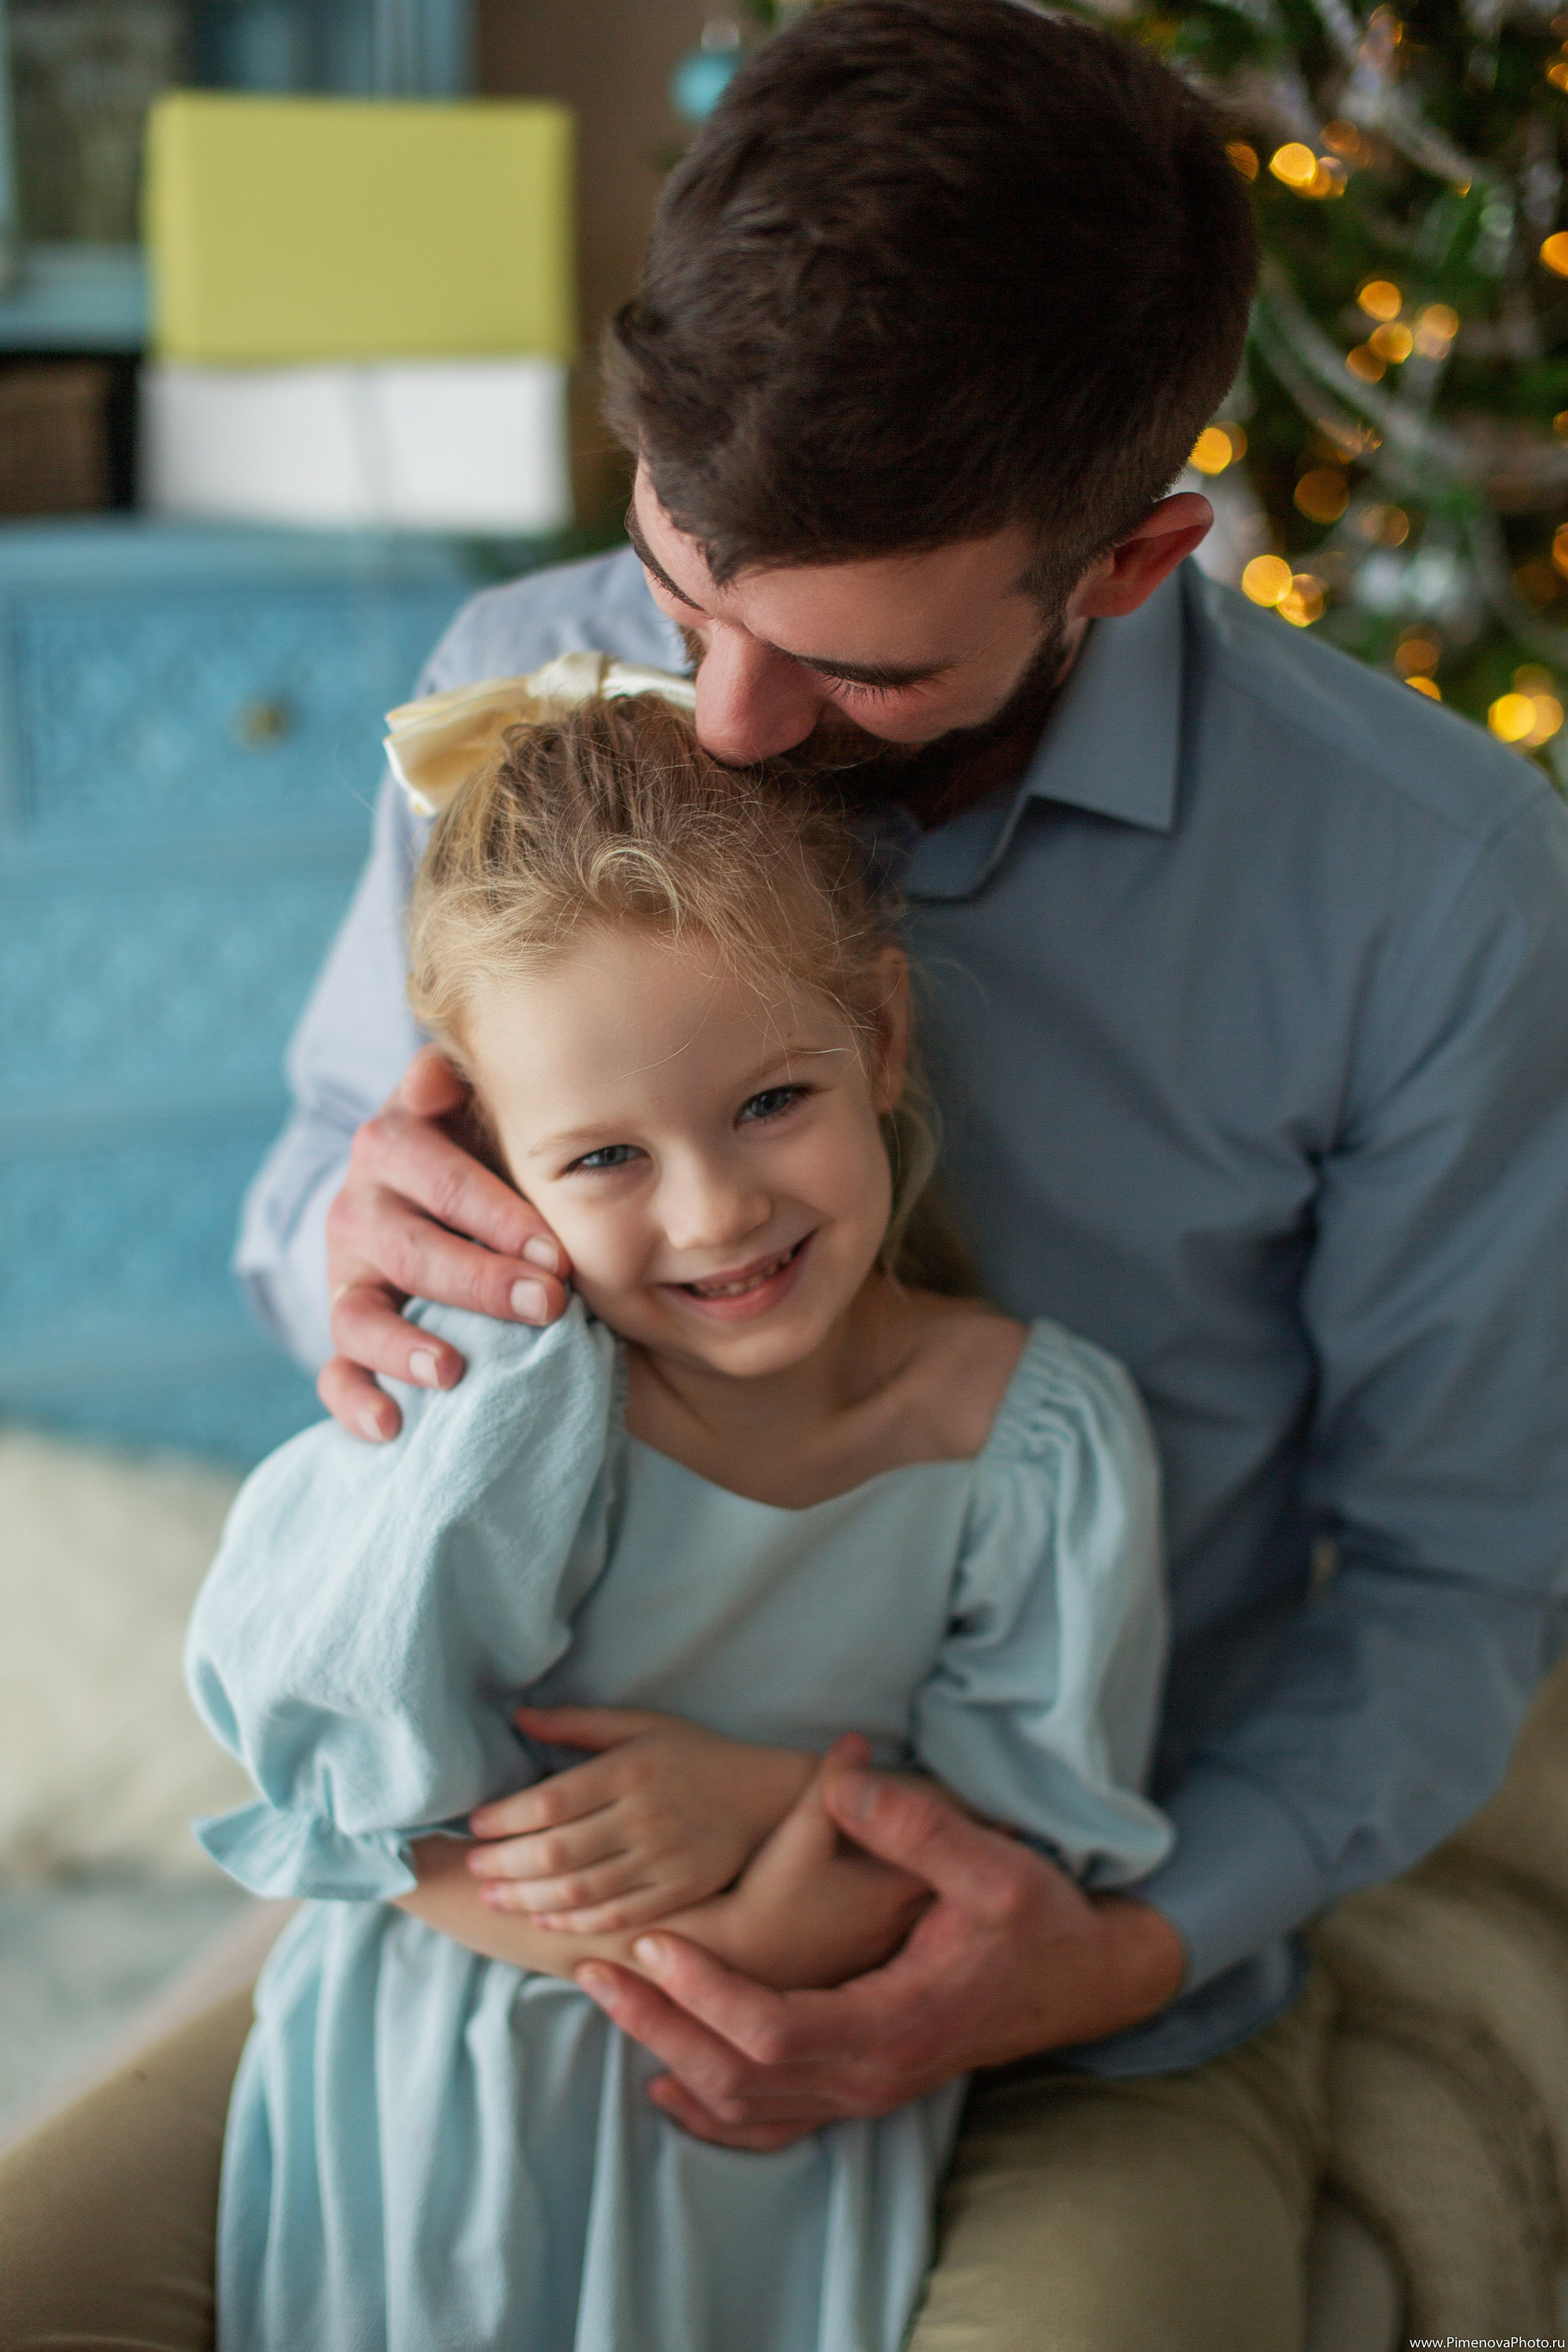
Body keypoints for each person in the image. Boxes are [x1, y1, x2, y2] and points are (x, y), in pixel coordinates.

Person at [3, 2, 1567, 2348]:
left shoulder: (1433, 884)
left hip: (1074, 1964)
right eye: (683, 572)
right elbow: (325, 1184)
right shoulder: (519, 677)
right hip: (516, 1925)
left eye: (858, 672)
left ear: (1128, 565)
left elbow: (1456, 1586)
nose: (717, 720)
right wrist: (343, 1240)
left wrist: (1088, 1955)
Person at [185, 687, 1170, 2350]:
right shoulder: (500, 1408)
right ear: (486, 1157)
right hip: (453, 2111)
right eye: (603, 1160)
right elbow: (348, 1822)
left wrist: (769, 1805)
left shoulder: (1036, 1439)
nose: (717, 1214)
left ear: (880, 1034)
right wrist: (716, 1934)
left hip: (781, 2127)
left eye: (770, 1103)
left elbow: (1031, 1842)